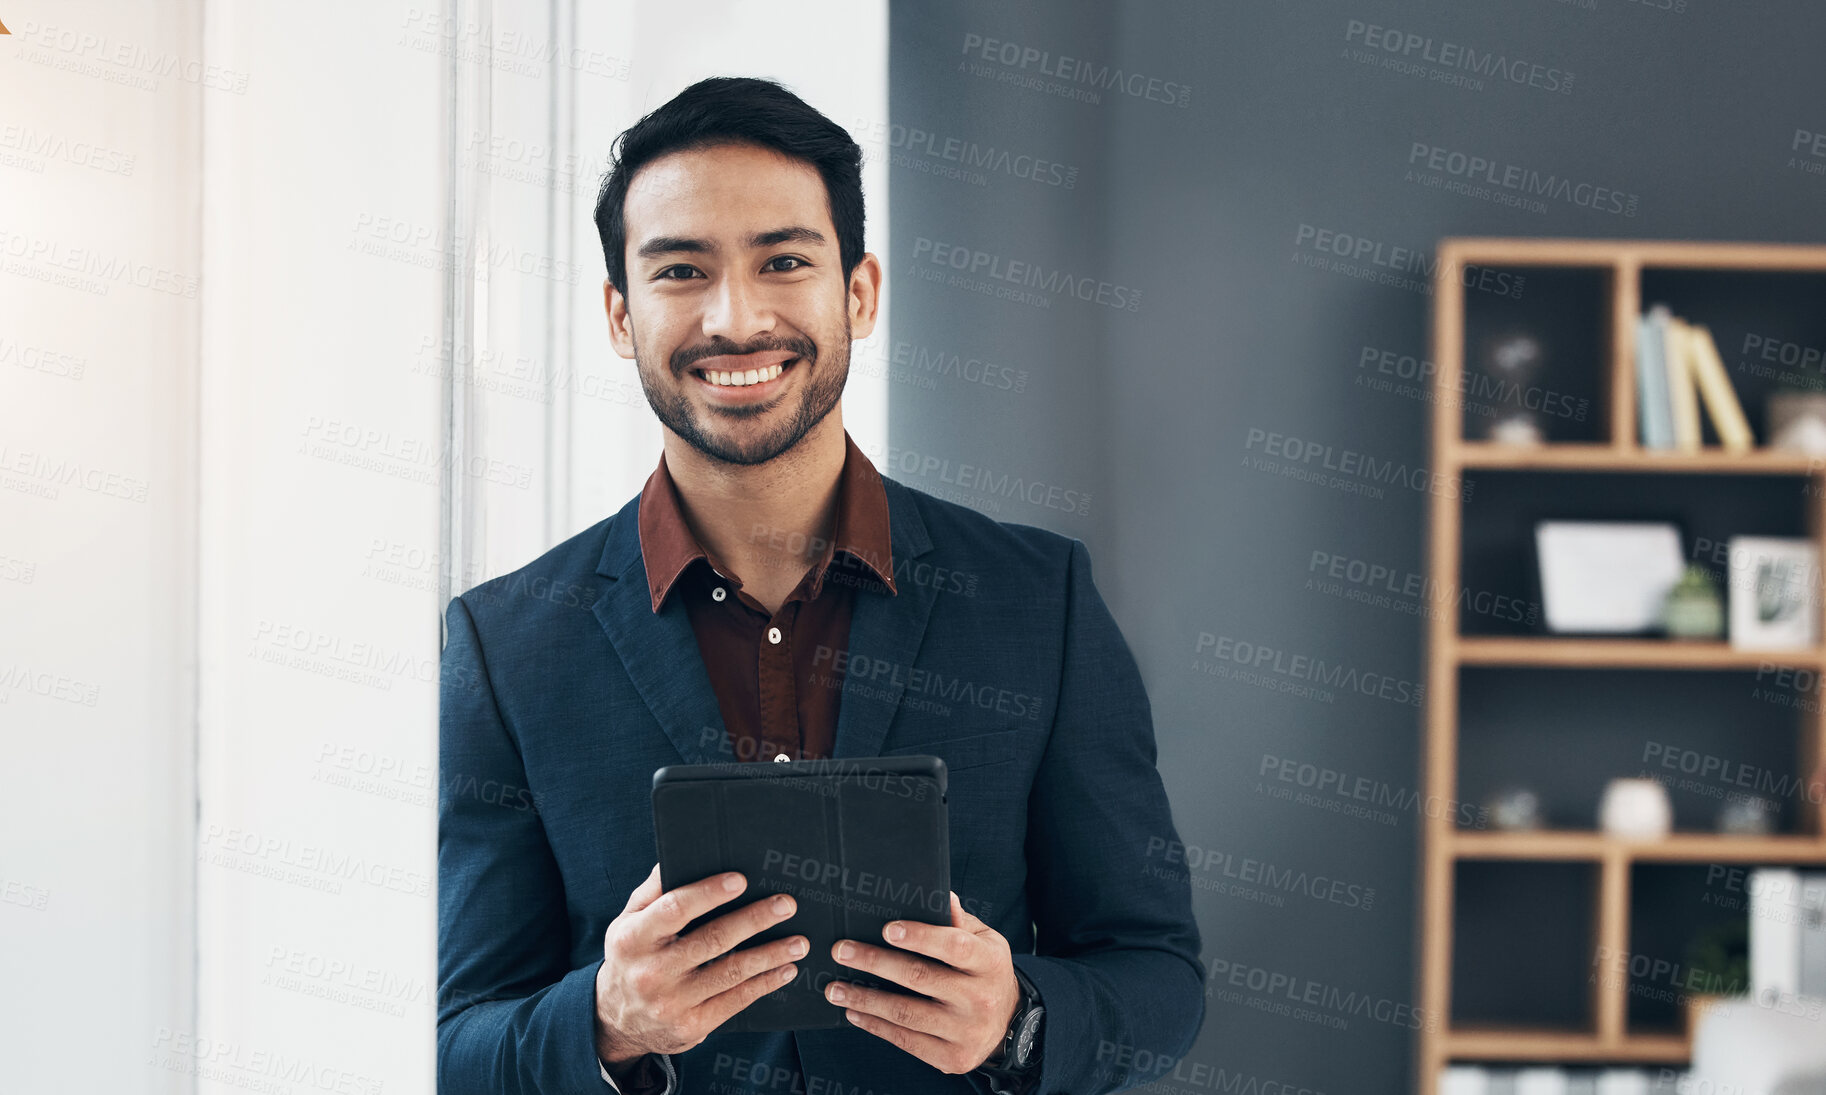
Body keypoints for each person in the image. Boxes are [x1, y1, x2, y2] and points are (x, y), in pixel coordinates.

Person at [437, 75, 1204, 1095]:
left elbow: (1155, 975)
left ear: (859, 293)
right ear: (621, 316)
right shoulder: (507, 644)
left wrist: (1016, 1021)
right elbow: (455, 1044)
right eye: (679, 271)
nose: (734, 317)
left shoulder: (1037, 600)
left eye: (783, 261)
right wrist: (605, 1020)